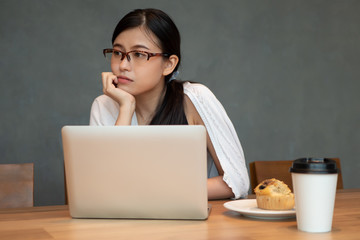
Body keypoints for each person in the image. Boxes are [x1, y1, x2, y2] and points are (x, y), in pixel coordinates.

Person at [90, 8, 249, 199]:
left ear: (169, 64)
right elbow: (105, 188)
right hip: (124, 224)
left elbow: (237, 182)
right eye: (117, 52)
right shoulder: (104, 105)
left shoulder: (195, 98)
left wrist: (156, 192)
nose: (123, 65)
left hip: (189, 222)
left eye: (140, 54)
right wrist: (126, 108)